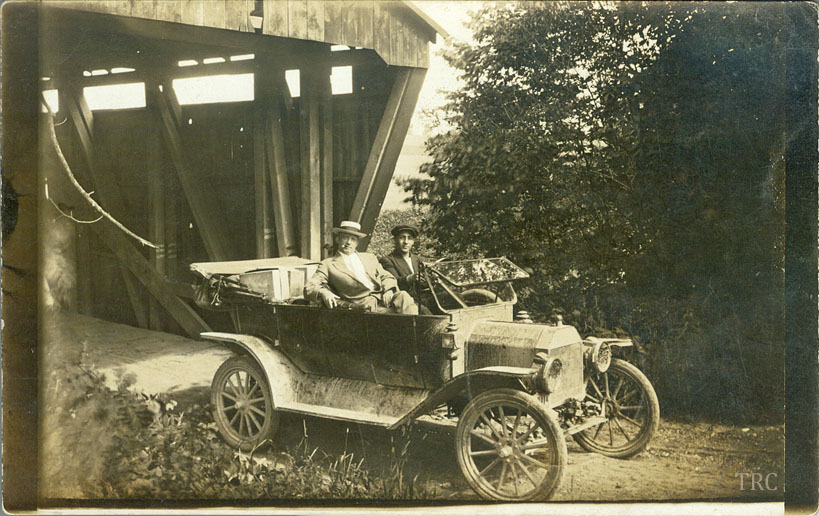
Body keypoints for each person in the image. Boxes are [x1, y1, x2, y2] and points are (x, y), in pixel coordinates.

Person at [304, 221, 418, 315]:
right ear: (338, 239)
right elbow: (309, 287)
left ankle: (416, 336)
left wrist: (388, 289)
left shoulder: (369, 258)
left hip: (384, 297)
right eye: (345, 238)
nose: (349, 242)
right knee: (397, 317)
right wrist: (324, 293)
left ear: (357, 242)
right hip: (363, 306)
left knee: (403, 296)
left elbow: (386, 276)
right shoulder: (328, 264)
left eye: (353, 239)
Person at [379, 224, 431, 314]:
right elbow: (394, 282)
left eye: (409, 238)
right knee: (426, 313)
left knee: (456, 298)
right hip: (407, 301)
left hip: (425, 298)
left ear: (413, 241)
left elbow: (425, 282)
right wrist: (410, 278)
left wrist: (429, 278)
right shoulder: (387, 260)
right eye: (402, 238)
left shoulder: (417, 259)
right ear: (395, 240)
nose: (406, 242)